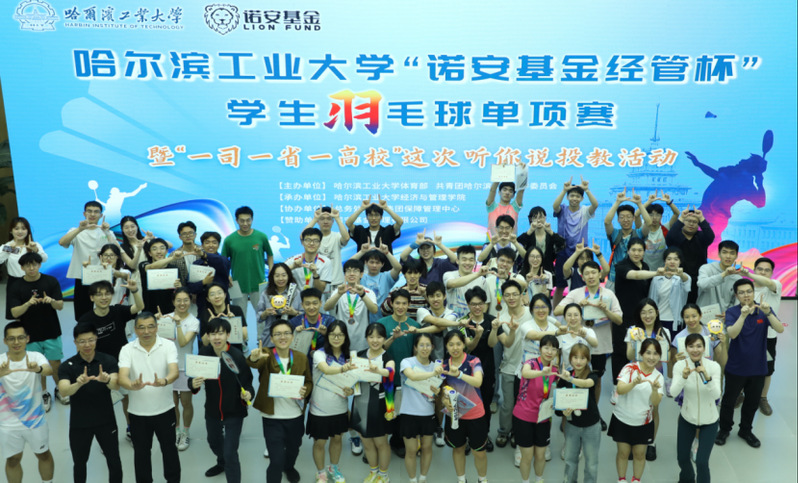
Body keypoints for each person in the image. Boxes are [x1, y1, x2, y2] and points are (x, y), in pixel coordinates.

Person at [554, 260, 622, 431]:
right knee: (570, 379)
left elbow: (619, 320)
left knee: (595, 381)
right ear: (582, 277)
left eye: (593, 272)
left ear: (600, 274)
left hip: (599, 345)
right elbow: (557, 310)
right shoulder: (576, 293)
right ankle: (568, 414)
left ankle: (594, 412)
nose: (591, 276)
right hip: (577, 346)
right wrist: (577, 305)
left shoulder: (608, 294)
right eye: (587, 273)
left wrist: (606, 310)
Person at [715, 279, 784, 449]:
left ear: (754, 292)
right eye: (741, 292)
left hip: (758, 368)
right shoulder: (732, 312)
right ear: (736, 295)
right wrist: (743, 315)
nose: (746, 295)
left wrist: (768, 313)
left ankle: (745, 430)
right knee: (729, 401)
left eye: (749, 291)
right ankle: (724, 429)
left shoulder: (764, 310)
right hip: (736, 367)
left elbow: (780, 329)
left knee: (752, 403)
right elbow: (732, 334)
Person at [189, 317, 254, 483]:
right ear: (208, 336)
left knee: (231, 452)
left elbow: (248, 383)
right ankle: (221, 462)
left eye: (220, 333)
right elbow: (193, 379)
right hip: (212, 411)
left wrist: (248, 393)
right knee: (213, 442)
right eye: (213, 334)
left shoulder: (237, 356)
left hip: (234, 411)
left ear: (228, 335)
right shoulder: (204, 354)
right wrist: (193, 384)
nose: (216, 337)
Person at [118, 312, 181, 483]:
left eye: (150, 326)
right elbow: (122, 377)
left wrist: (164, 380)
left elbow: (174, 371)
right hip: (137, 413)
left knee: (169, 451)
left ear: (157, 327)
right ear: (135, 330)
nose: (146, 331)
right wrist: (131, 385)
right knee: (141, 454)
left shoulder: (168, 345)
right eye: (141, 327)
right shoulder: (127, 349)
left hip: (165, 410)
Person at [247, 320, 312, 483]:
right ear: (271, 338)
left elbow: (309, 381)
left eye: (286, 333)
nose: (282, 337)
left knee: (293, 449)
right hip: (272, 417)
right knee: (275, 460)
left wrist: (305, 390)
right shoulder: (266, 354)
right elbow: (254, 362)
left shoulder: (301, 357)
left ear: (292, 336)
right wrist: (254, 357)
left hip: (295, 414)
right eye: (278, 334)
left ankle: (289, 467)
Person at [78, 279, 143, 441]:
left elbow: (139, 307)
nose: (103, 297)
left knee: (127, 397)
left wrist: (135, 291)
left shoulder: (118, 311)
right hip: (99, 367)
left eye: (107, 294)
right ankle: (106, 434)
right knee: (103, 403)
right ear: (92, 298)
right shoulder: (85, 320)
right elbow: (82, 346)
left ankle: (131, 427)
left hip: (122, 364)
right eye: (99, 294)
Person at [57, 323, 122, 483]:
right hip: (80, 424)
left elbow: (115, 385)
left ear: (96, 339)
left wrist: (107, 380)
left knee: (114, 460)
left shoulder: (108, 360)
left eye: (91, 340)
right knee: (79, 464)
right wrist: (78, 384)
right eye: (82, 341)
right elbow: (64, 391)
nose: (87, 345)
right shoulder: (67, 366)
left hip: (106, 420)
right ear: (75, 342)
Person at [8, 252, 65, 409]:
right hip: (29, 335)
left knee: (55, 364)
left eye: (34, 264)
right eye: (27, 265)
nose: (31, 268)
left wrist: (51, 301)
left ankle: (60, 389)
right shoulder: (16, 286)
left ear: (40, 265)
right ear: (22, 267)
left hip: (51, 330)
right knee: (37, 366)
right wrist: (27, 304)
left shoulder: (51, 281)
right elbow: (14, 313)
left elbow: (60, 306)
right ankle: (43, 393)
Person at [0, 321, 55, 483]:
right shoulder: (1, 361)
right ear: (5, 341)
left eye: (21, 337)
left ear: (27, 339)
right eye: (11, 338)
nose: (16, 342)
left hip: (35, 420)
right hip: (8, 422)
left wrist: (38, 369)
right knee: (12, 460)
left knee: (43, 454)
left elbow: (49, 370)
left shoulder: (36, 357)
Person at [608, 338, 664, 483]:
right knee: (623, 453)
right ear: (641, 353)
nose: (651, 357)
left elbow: (655, 402)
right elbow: (620, 389)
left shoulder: (659, 377)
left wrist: (654, 390)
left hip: (643, 422)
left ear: (660, 356)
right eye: (648, 353)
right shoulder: (630, 368)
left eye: (655, 354)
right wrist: (634, 383)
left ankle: (636, 480)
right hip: (622, 418)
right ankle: (621, 479)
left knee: (639, 455)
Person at [623, 299, 672, 460]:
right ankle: (634, 442)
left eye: (650, 311)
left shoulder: (664, 331)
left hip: (655, 375)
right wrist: (636, 343)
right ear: (639, 315)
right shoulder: (633, 331)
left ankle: (651, 442)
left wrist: (661, 345)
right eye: (643, 312)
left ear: (657, 312)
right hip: (636, 375)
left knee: (653, 409)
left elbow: (667, 357)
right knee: (634, 407)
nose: (647, 315)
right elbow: (629, 356)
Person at [670, 333, 722, 483]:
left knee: (701, 462)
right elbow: (673, 392)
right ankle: (687, 479)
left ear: (704, 348)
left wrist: (706, 376)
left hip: (710, 421)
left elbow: (717, 395)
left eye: (699, 346)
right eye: (691, 346)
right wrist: (683, 377)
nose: (695, 350)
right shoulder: (680, 366)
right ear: (686, 348)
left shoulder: (713, 366)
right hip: (687, 418)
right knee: (682, 458)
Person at [488, 280, 533, 449]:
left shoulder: (531, 313)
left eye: (515, 294)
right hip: (509, 366)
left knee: (524, 403)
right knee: (508, 404)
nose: (511, 298)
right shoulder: (500, 318)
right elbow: (501, 343)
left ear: (522, 295)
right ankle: (503, 431)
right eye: (507, 295)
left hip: (529, 367)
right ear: (503, 297)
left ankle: (517, 432)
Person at [307, 321, 355, 483]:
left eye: (340, 335)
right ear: (327, 336)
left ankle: (333, 468)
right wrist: (343, 368)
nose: (336, 338)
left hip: (339, 407)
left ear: (345, 337)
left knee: (337, 439)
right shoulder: (319, 354)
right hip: (319, 407)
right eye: (333, 334)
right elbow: (326, 369)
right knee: (320, 442)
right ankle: (321, 473)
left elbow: (355, 382)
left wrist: (351, 391)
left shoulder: (349, 356)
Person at [440, 330, 488, 483]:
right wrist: (444, 400)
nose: (455, 348)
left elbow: (478, 382)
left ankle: (482, 479)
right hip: (455, 415)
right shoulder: (443, 365)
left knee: (479, 452)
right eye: (451, 344)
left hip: (475, 414)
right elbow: (443, 388)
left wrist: (459, 374)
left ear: (464, 345)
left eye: (458, 344)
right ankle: (461, 480)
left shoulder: (474, 361)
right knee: (458, 448)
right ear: (446, 346)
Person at [352, 323, 396, 483]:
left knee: (381, 443)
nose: (375, 340)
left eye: (379, 337)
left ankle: (383, 475)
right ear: (366, 338)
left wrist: (378, 371)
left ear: (384, 339)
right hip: (360, 404)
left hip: (379, 405)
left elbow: (390, 372)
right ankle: (373, 472)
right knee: (366, 442)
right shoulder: (359, 355)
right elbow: (353, 378)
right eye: (371, 336)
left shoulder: (387, 357)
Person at [157, 288, 199, 451]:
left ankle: (185, 432)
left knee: (186, 402)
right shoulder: (165, 318)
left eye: (186, 300)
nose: (182, 303)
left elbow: (182, 342)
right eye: (179, 300)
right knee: (172, 403)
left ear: (190, 301)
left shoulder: (193, 321)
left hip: (186, 367)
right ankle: (176, 431)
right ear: (173, 302)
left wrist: (178, 324)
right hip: (168, 367)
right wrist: (156, 324)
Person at [59, 200, 117, 320]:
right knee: (83, 315)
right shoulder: (76, 231)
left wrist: (107, 232)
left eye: (96, 212)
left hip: (102, 276)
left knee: (104, 312)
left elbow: (117, 250)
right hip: (82, 277)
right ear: (84, 214)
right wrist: (79, 229)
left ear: (101, 215)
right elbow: (62, 242)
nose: (92, 214)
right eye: (89, 211)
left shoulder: (107, 231)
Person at [514, 334, 560, 483]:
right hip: (524, 416)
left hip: (543, 418)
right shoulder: (531, 363)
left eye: (553, 349)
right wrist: (542, 372)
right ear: (540, 349)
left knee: (541, 455)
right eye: (546, 347)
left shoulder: (555, 370)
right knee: (527, 457)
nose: (549, 352)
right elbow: (525, 373)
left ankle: (539, 479)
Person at [741, 257, 783, 416]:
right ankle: (740, 394)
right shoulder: (746, 289)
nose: (763, 272)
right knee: (743, 365)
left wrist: (748, 274)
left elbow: (767, 282)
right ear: (755, 269)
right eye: (760, 269)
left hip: (768, 336)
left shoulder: (775, 286)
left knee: (767, 369)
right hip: (746, 335)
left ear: (771, 273)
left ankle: (762, 398)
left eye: (767, 270)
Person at [400, 333, 444, 483]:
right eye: (421, 345)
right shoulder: (407, 362)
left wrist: (437, 392)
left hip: (427, 413)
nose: (425, 348)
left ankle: (423, 478)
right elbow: (412, 376)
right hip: (408, 412)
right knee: (411, 450)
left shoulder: (436, 366)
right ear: (415, 347)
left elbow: (437, 394)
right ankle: (412, 480)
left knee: (427, 448)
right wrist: (433, 374)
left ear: (432, 347)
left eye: (428, 345)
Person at [556, 343, 601, 483]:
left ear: (588, 360)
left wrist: (570, 379)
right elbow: (558, 406)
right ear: (570, 358)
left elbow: (587, 383)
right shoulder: (564, 377)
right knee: (570, 460)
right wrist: (563, 411)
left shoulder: (592, 375)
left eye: (583, 358)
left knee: (591, 463)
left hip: (592, 426)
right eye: (575, 357)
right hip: (572, 425)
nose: (578, 361)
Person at [611, 238, 653, 386]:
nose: (636, 253)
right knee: (621, 351)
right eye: (633, 250)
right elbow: (634, 275)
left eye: (640, 250)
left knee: (641, 349)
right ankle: (618, 386)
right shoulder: (621, 266)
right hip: (622, 316)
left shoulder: (645, 266)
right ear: (628, 251)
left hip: (641, 317)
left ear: (644, 252)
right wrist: (656, 272)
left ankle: (639, 381)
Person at [551, 177, 599, 306]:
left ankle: (587, 310)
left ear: (582, 198)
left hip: (582, 253)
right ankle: (556, 313)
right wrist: (564, 190)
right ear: (567, 197)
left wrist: (587, 190)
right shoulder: (562, 209)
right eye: (572, 195)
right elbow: (555, 206)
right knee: (560, 286)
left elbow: (595, 205)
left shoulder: (585, 211)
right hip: (563, 252)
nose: (574, 198)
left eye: (578, 196)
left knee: (586, 283)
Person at [460, 287, 497, 452]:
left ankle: (484, 435)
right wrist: (477, 335)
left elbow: (492, 344)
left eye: (480, 303)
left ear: (485, 304)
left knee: (486, 404)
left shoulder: (492, 320)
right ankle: (467, 438)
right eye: (473, 304)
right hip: (467, 371)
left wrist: (495, 329)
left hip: (487, 369)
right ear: (468, 304)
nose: (477, 307)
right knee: (466, 403)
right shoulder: (463, 322)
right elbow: (469, 348)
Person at [221, 206, 274, 314]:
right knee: (239, 316)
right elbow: (223, 261)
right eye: (242, 221)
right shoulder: (229, 240)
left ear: (252, 219)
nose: (245, 223)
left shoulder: (261, 236)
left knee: (262, 315)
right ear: (236, 220)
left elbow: (270, 254)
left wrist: (271, 270)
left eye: (248, 220)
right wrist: (227, 275)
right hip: (237, 284)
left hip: (259, 283)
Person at [323, 259, 378, 352]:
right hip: (341, 341)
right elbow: (326, 307)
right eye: (348, 271)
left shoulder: (368, 292)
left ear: (361, 274)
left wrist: (362, 294)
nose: (351, 274)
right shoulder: (338, 291)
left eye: (355, 271)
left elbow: (374, 310)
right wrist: (339, 293)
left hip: (362, 342)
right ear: (344, 275)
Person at [604, 188, 652, 291]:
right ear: (618, 219)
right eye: (622, 217)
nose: (625, 220)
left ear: (633, 218)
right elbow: (607, 222)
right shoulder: (615, 233)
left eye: (629, 217)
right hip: (614, 277)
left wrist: (639, 204)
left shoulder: (638, 233)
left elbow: (648, 223)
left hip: (634, 276)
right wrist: (617, 202)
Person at [0, 216, 48, 319]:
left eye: (23, 228)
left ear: (28, 231)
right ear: (11, 231)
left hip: (33, 281)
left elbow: (44, 259)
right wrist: (8, 250)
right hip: (15, 282)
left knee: (34, 313)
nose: (20, 232)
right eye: (16, 228)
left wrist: (35, 250)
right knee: (17, 314)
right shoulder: (7, 246)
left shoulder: (34, 245)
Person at [665, 208, 715, 303]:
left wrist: (701, 218)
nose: (691, 224)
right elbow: (669, 237)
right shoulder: (676, 236)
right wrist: (681, 217)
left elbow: (710, 236)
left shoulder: (701, 236)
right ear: (683, 222)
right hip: (678, 278)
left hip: (698, 279)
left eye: (695, 222)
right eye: (688, 221)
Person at [305, 206, 351, 303]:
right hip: (318, 282)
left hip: (336, 283)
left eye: (329, 219)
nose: (325, 222)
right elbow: (303, 236)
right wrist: (315, 218)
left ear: (332, 221)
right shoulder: (313, 239)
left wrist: (337, 218)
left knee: (337, 312)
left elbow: (346, 238)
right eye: (322, 219)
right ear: (318, 221)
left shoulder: (337, 236)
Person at [255, 262, 302, 348]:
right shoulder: (266, 294)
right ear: (272, 277)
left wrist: (294, 313)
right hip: (270, 336)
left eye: (284, 275)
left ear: (288, 276)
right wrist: (265, 313)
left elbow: (304, 316)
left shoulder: (296, 293)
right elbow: (258, 317)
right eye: (277, 276)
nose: (280, 279)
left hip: (292, 335)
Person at [352, 242, 402, 322]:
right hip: (364, 320)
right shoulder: (360, 277)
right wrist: (362, 252)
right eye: (371, 262)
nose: (374, 265)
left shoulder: (386, 276)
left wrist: (387, 253)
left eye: (377, 262)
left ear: (382, 264)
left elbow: (398, 268)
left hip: (384, 319)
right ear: (366, 263)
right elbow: (349, 265)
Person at [647, 247, 691, 335]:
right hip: (658, 319)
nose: (672, 262)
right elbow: (651, 299)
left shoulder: (683, 277)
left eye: (676, 259)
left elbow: (687, 286)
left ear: (680, 262)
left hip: (675, 321)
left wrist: (681, 274)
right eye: (669, 259)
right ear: (664, 261)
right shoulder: (657, 278)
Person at [697, 239, 744, 316]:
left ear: (736, 256)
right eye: (724, 252)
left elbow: (736, 301)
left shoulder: (737, 278)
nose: (728, 256)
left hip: (724, 318)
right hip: (703, 316)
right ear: (719, 254)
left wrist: (730, 313)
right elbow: (702, 284)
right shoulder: (706, 268)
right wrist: (724, 274)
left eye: (732, 253)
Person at [634, 191, 680, 270]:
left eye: (658, 215)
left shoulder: (665, 228)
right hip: (644, 269)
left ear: (661, 217)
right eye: (651, 215)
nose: (654, 218)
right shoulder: (642, 229)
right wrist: (649, 201)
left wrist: (669, 202)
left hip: (661, 270)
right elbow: (636, 214)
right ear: (646, 215)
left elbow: (677, 213)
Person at [443, 245, 490, 318]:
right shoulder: (449, 275)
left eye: (471, 260)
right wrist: (477, 274)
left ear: (475, 262)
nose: (467, 263)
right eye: (464, 259)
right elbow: (452, 284)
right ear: (457, 261)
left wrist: (478, 320)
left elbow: (486, 303)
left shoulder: (481, 280)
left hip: (473, 323)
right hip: (452, 322)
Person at [517, 206, 565, 277]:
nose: (538, 220)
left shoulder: (550, 235)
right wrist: (530, 231)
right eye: (535, 217)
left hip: (548, 271)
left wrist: (550, 232)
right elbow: (518, 242)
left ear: (545, 218)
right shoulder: (528, 235)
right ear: (530, 219)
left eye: (541, 217)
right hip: (529, 272)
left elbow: (562, 244)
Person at [199, 283, 248, 352]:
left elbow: (245, 336)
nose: (217, 296)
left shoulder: (236, 310)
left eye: (219, 293)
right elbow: (205, 343)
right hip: (214, 352)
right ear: (208, 299)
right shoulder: (205, 314)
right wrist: (209, 324)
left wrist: (234, 322)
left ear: (225, 295)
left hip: (234, 350)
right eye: (212, 294)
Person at [139, 237, 181, 314]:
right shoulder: (144, 265)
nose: (159, 252)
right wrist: (173, 257)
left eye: (162, 248)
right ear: (149, 253)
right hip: (149, 310)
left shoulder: (174, 269)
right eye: (154, 249)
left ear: (166, 251)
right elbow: (152, 267)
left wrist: (179, 287)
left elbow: (179, 291)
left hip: (170, 310)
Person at [289, 288, 336, 356]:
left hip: (325, 358)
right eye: (307, 304)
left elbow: (339, 343)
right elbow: (288, 347)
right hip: (302, 358)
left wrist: (326, 334)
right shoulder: (294, 322)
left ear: (320, 303)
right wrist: (296, 334)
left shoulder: (330, 321)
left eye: (315, 303)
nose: (311, 307)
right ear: (302, 305)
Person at [287, 227, 334, 292]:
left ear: (320, 244)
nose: (311, 243)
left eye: (315, 241)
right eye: (308, 240)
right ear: (302, 242)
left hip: (316, 297)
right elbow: (277, 274)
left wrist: (315, 274)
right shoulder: (293, 260)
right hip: (296, 297)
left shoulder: (326, 262)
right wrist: (293, 266)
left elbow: (321, 290)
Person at [557, 304, 598, 373]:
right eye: (569, 315)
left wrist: (585, 336)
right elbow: (558, 355)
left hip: (585, 373)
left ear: (581, 317)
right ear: (564, 317)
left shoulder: (588, 331)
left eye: (576, 315)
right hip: (567, 373)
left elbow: (595, 344)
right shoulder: (561, 334)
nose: (573, 318)